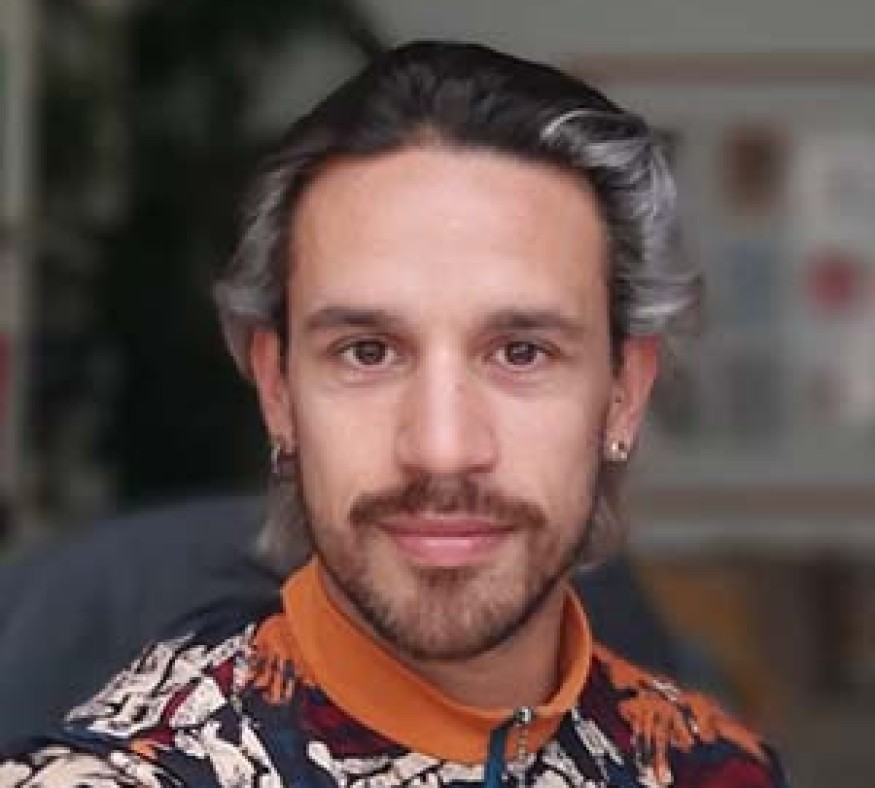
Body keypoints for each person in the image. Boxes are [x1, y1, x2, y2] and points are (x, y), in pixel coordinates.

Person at [0, 41, 788, 787]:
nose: (441, 449)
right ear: (277, 392)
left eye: (521, 352)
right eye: (368, 352)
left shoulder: (712, 769)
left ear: (624, 392)